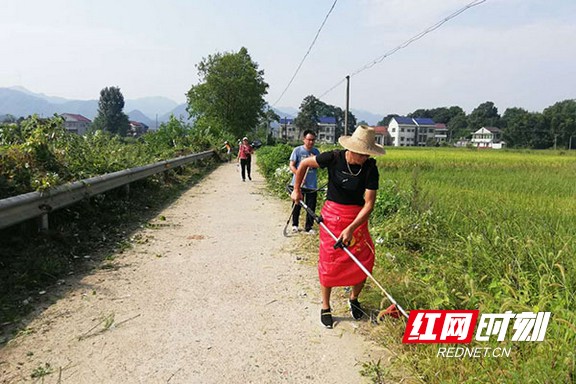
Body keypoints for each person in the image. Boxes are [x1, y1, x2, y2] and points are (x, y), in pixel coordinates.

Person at [290, 125, 385, 329]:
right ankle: (326, 306)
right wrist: (297, 190)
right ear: (352, 150)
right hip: (332, 217)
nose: (365, 158)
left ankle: (354, 298)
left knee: (365, 259)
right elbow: (305, 163)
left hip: (357, 219)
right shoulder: (333, 158)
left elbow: (369, 204)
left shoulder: (370, 167)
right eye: (363, 155)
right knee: (330, 261)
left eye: (368, 154)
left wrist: (351, 228)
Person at [289, 130, 320, 234]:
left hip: (311, 184)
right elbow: (292, 165)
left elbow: (320, 165)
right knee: (297, 203)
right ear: (304, 140)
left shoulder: (316, 152)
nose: (311, 142)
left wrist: (313, 161)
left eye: (313, 140)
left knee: (311, 206)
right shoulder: (297, 151)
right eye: (309, 140)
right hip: (298, 184)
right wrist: (299, 174)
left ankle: (309, 227)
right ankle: (295, 224)